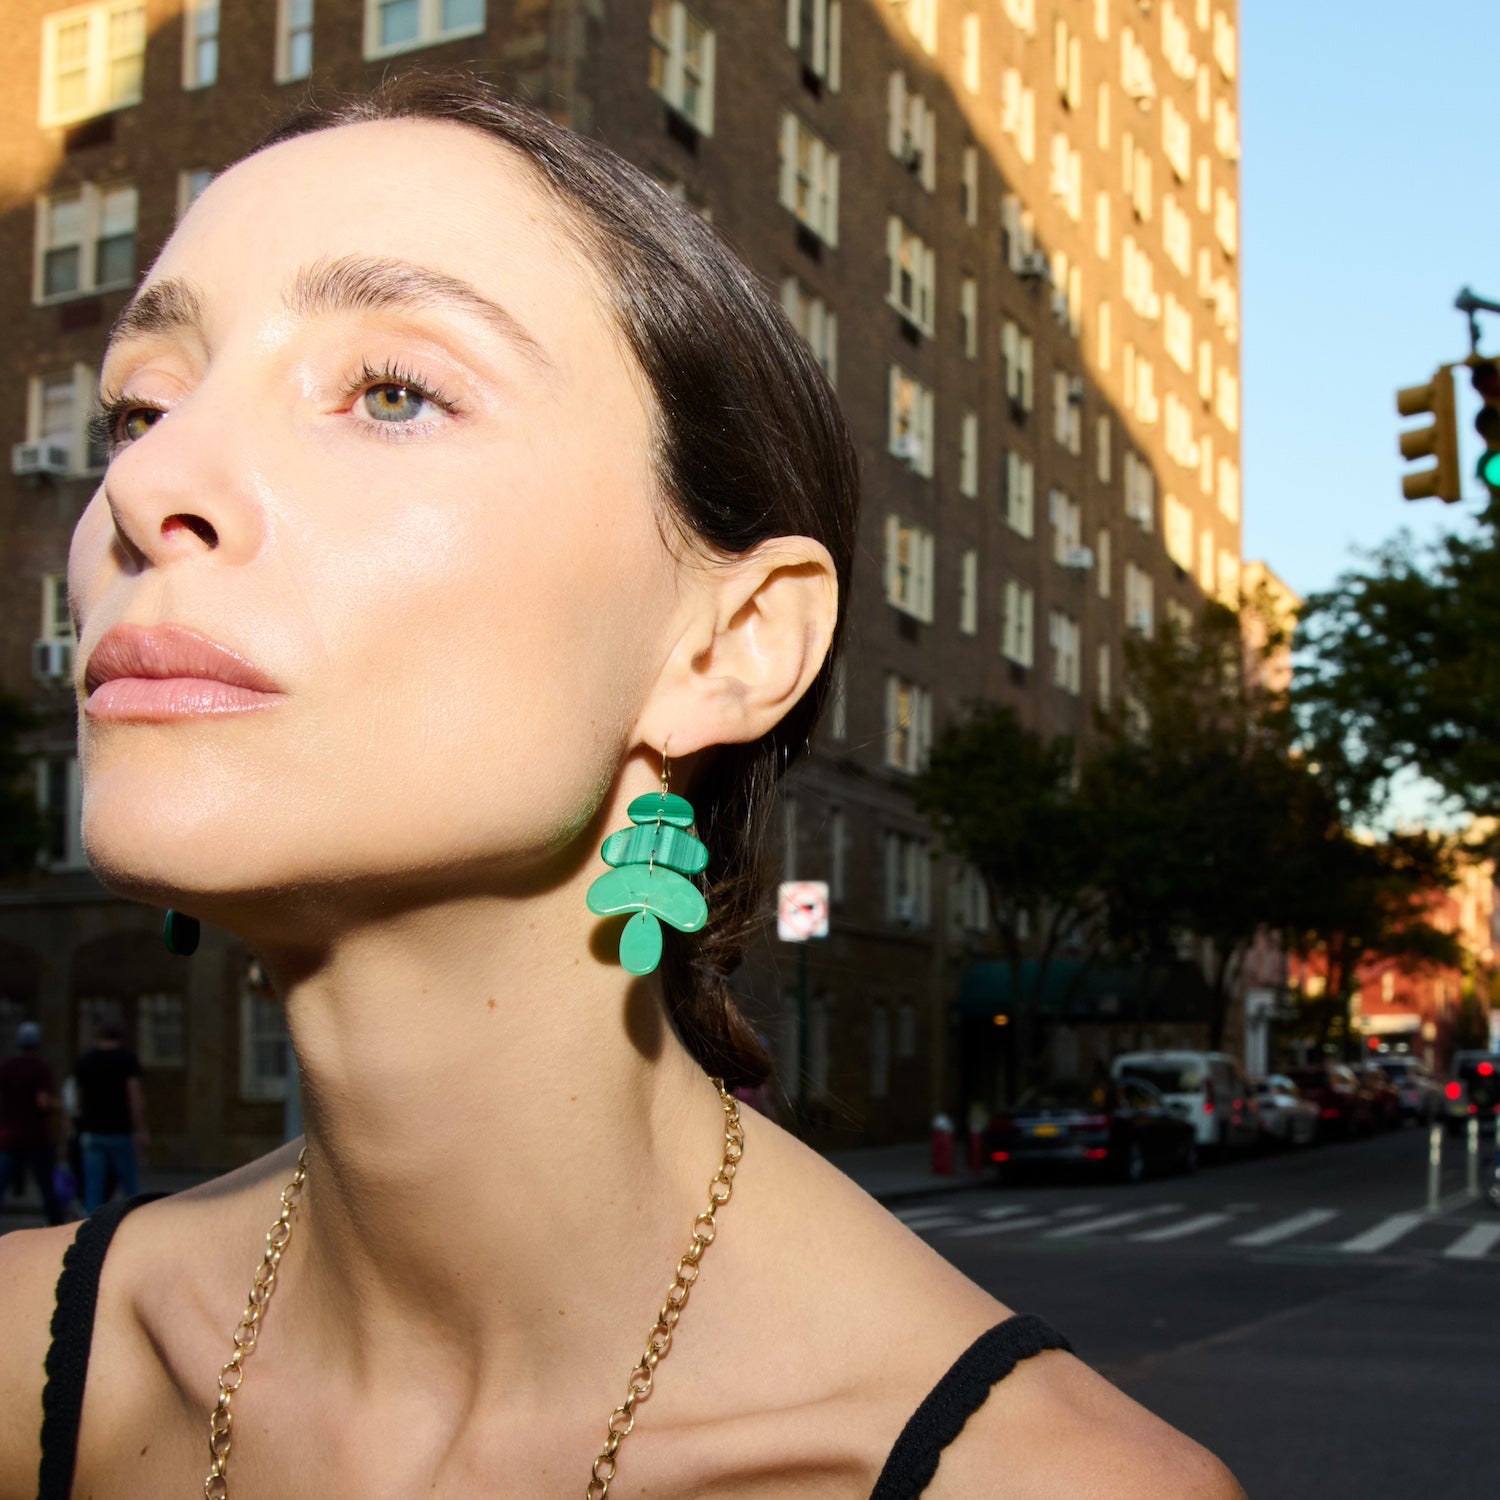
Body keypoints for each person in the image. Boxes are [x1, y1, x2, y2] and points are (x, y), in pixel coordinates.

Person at [0, 76, 1243, 1500]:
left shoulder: (1047, 1485)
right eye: (139, 405)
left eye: (392, 391)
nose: (154, 484)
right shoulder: (35, 1356)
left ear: (728, 645)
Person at [73, 1022, 147, 1213]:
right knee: (129, 1187)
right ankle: (136, 1225)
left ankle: (90, 1232)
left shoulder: (86, 1060)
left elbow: (78, 1098)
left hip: (93, 1131)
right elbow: (134, 1096)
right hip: (119, 1131)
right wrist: (139, 1128)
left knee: (94, 1188)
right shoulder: (127, 1060)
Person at [0, 1022, 67, 1227]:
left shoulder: (7, 1067)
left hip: (9, 1136)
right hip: (36, 1137)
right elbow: (42, 1100)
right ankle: (56, 1229)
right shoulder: (41, 1068)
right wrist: (60, 1106)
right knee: (47, 1187)